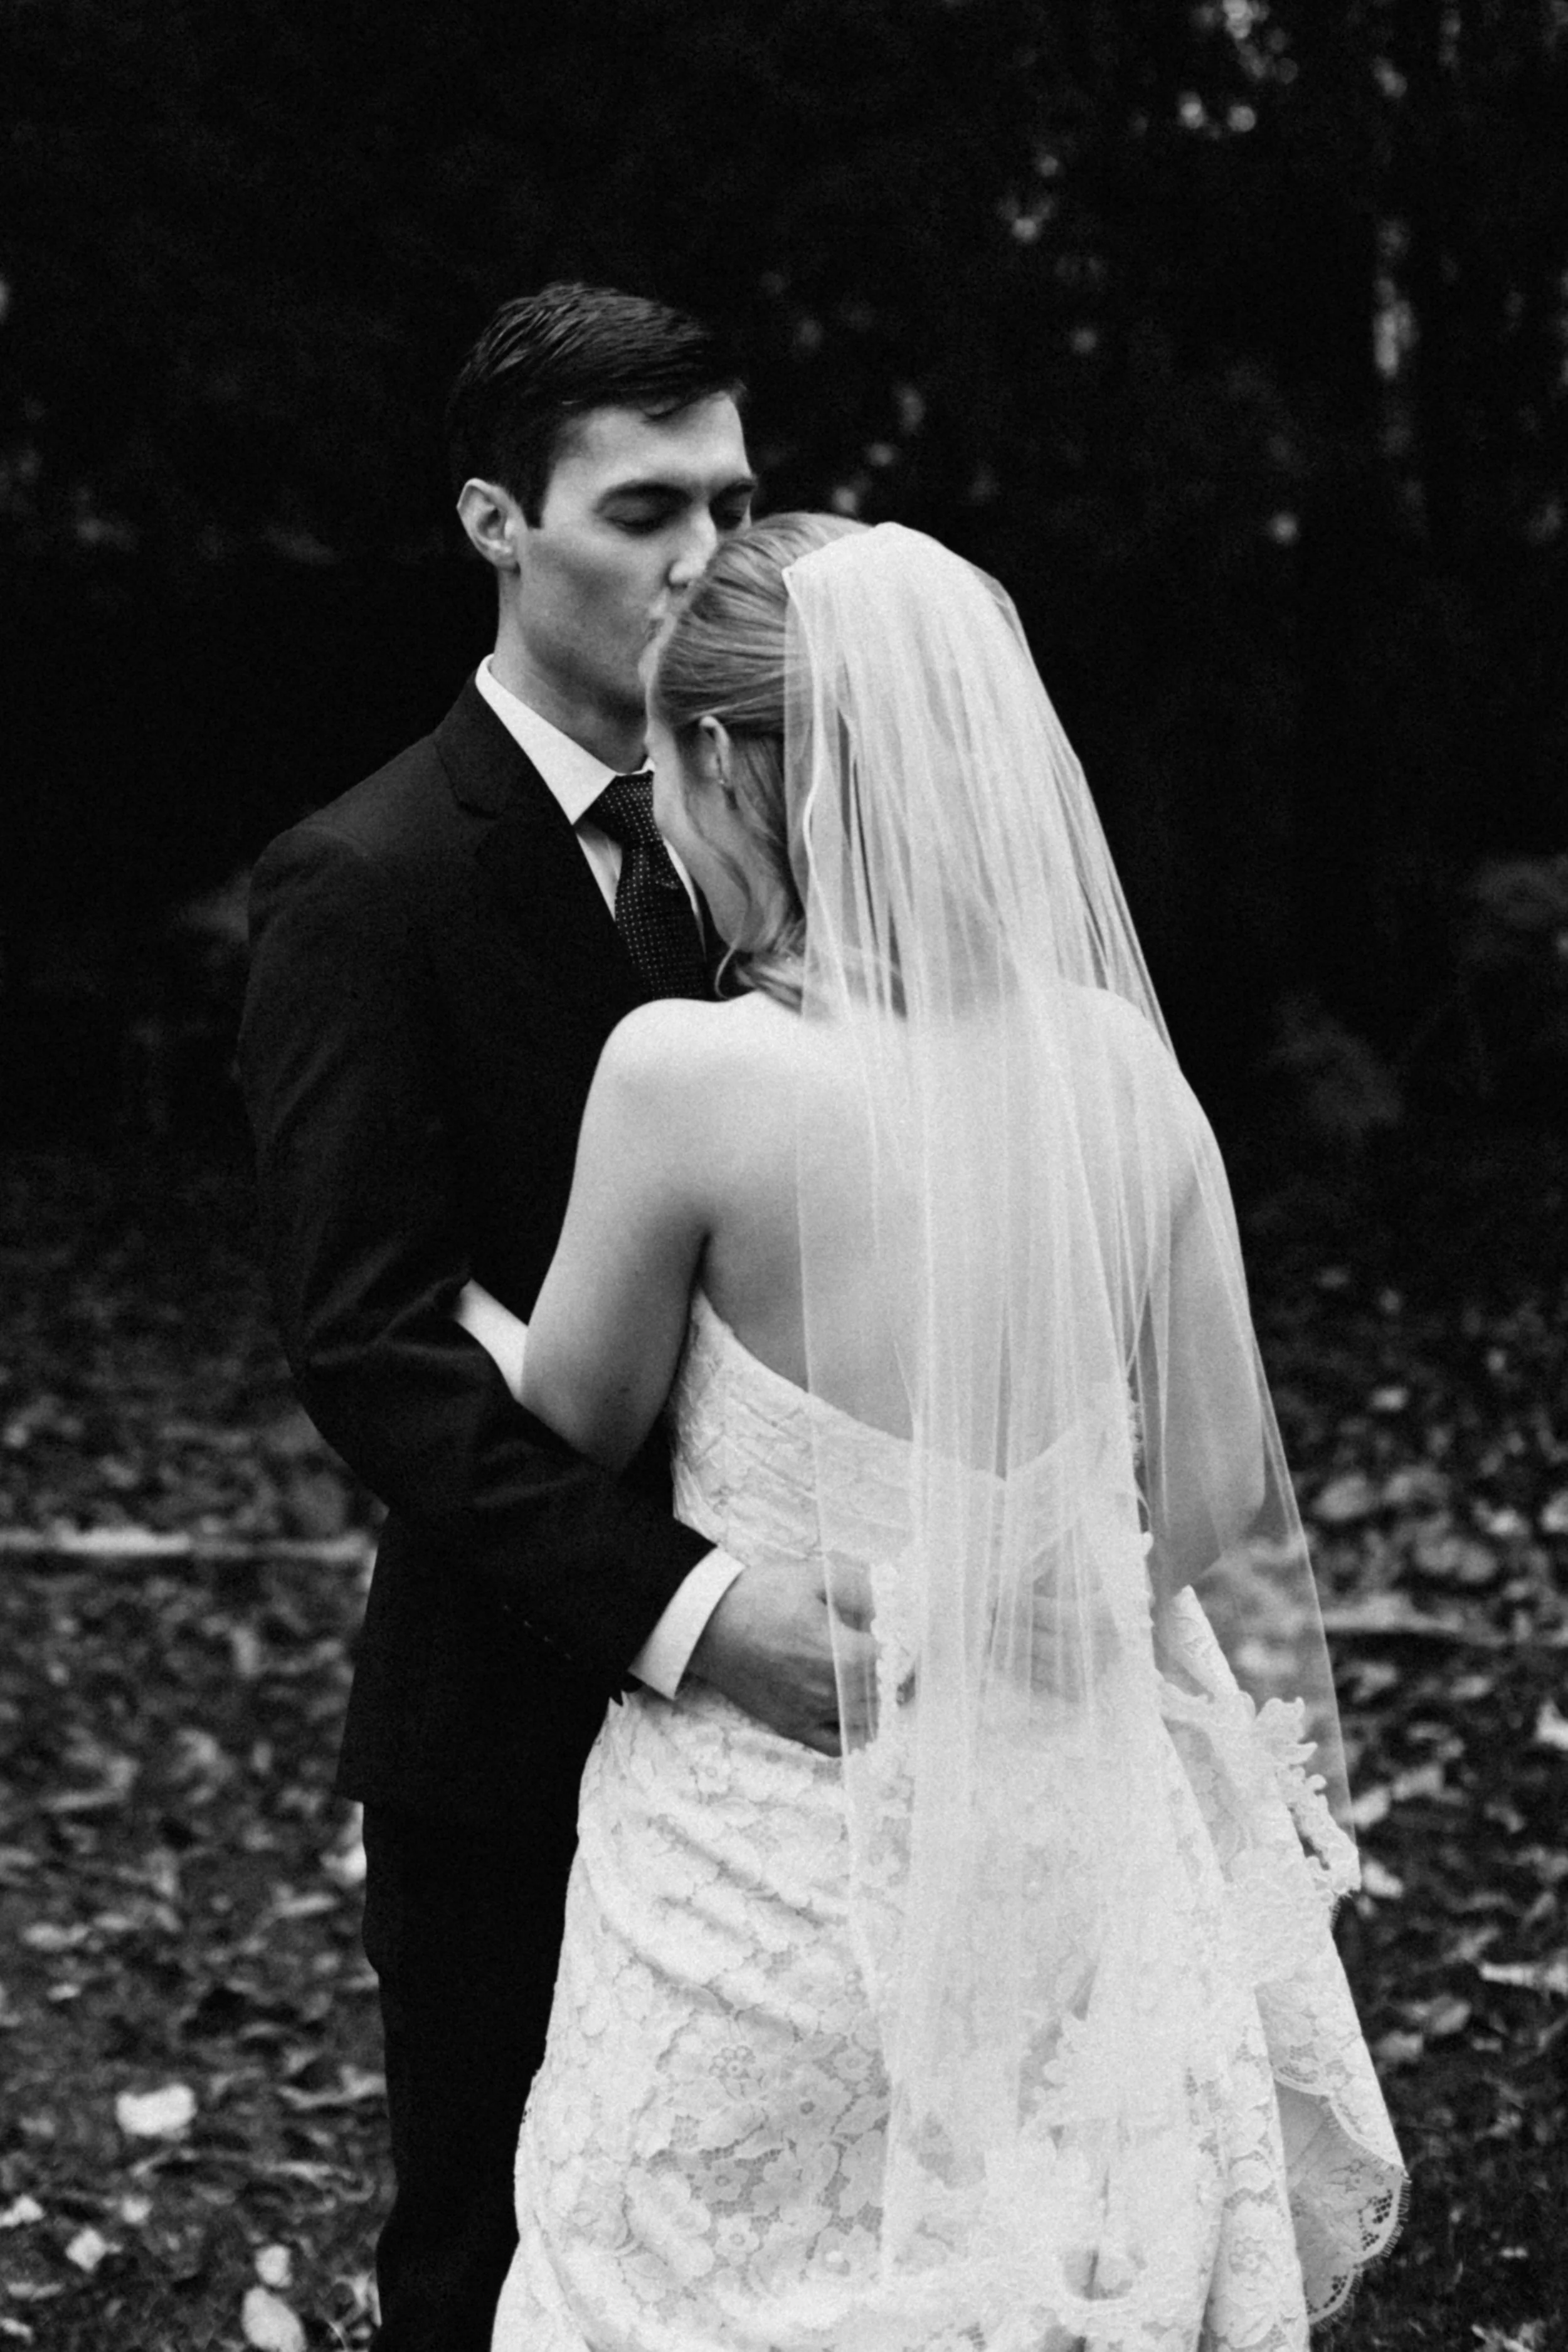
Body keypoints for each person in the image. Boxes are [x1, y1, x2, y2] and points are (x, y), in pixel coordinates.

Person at [481, 515, 1406, 2349]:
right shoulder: (1115, 1069)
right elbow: (1211, 1488)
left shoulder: (691, 1075)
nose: (664, 817)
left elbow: (569, 1420)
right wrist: (998, 1601)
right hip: (1055, 1850)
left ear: (733, 765)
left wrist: (452, 1305)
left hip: (760, 1882)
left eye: (669, 764)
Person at [238, 287, 866, 2352]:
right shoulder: (367, 875)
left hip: (834, 1752)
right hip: (511, 1704)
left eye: (738, 500)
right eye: (646, 507)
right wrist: (690, 1611)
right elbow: (372, 1335)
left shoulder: (795, 852)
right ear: (499, 521)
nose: (710, 557)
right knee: (497, 2251)